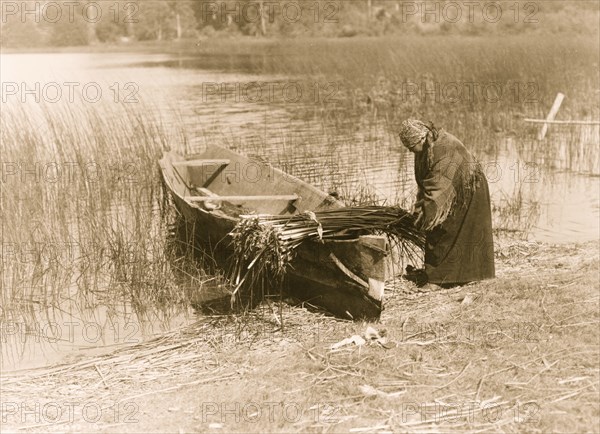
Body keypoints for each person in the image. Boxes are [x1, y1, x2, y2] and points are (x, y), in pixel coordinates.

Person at [399, 119, 495, 288]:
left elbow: (437, 193)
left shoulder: (444, 149)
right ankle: (445, 274)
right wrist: (419, 209)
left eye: (411, 146)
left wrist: (422, 215)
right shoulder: (426, 148)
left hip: (469, 187)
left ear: (421, 139)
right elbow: (427, 184)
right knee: (442, 229)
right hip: (454, 187)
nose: (409, 150)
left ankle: (441, 279)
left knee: (452, 230)